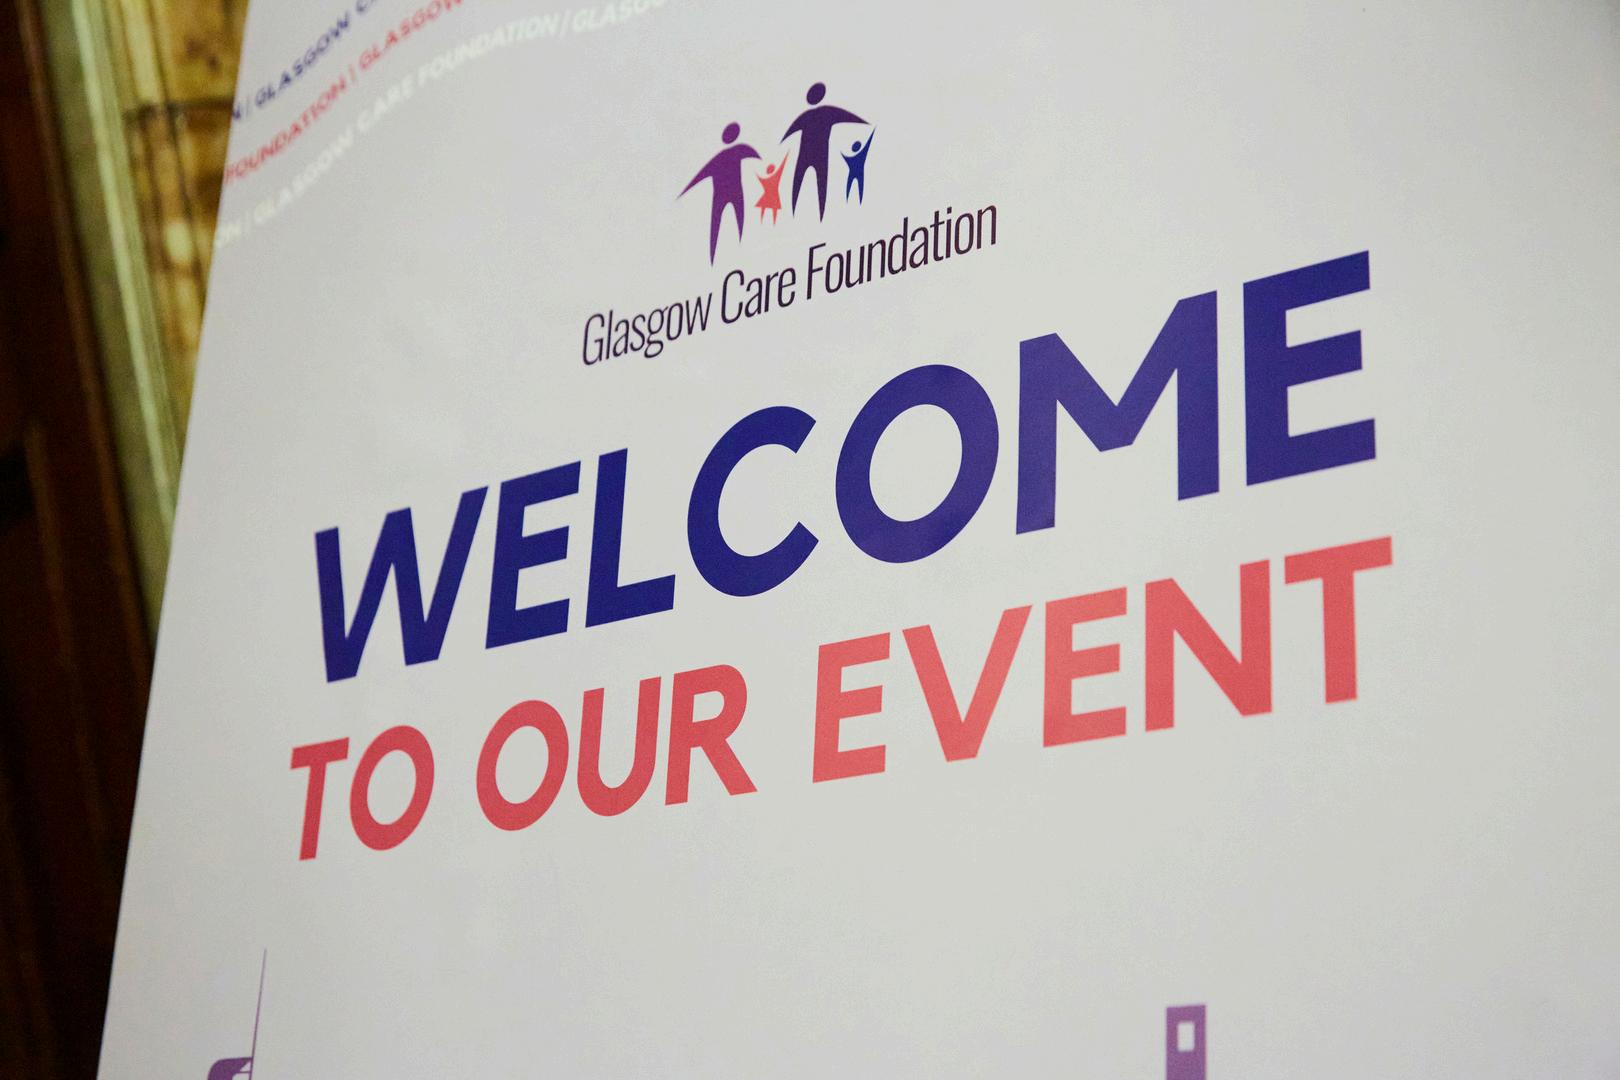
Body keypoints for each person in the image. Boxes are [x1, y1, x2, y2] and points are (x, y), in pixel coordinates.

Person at [781, 81, 865, 220]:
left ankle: (818, 214)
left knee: (815, 183)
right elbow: (849, 117)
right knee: (810, 182)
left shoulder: (821, 113)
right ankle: (804, 212)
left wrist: (864, 122)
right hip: (813, 154)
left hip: (815, 154)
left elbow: (850, 117)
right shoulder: (824, 113)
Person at [680, 122, 760, 263]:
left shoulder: (735, 151)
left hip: (733, 193)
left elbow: (754, 154)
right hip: (726, 195)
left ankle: (734, 252)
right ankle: (715, 256)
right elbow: (697, 179)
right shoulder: (735, 152)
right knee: (720, 225)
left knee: (735, 222)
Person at [755, 153, 790, 223]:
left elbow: (781, 167)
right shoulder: (769, 177)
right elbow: (781, 167)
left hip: (772, 196)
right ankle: (763, 222)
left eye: (769, 168)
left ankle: (770, 222)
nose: (768, 169)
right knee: (767, 208)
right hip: (771, 196)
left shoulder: (772, 177)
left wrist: (786, 156)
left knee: (771, 209)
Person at [843, 129, 874, 204]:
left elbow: (868, 142)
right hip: (856, 169)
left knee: (856, 188)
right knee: (856, 188)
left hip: (857, 169)